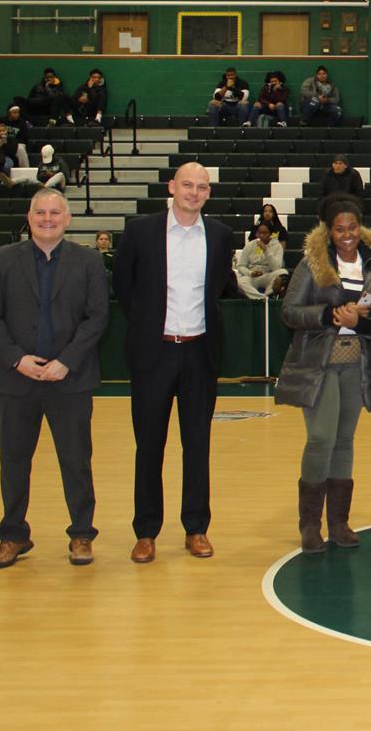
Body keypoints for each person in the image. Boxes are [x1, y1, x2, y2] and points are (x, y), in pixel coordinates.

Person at [0, 189, 110, 569]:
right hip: (16, 380)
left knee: (76, 460)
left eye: (54, 212)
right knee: (13, 461)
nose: (47, 219)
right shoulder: (2, 260)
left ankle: (82, 534)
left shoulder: (89, 261)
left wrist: (66, 361)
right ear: (29, 217)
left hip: (69, 380)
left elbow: (97, 316)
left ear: (67, 219)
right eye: (40, 212)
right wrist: (16, 359)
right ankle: (13, 535)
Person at [113, 163, 236, 563]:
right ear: (171, 187)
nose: (193, 192)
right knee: (149, 445)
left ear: (208, 193)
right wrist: (149, 326)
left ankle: (196, 528)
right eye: (187, 185)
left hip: (200, 353)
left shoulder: (220, 235)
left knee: (197, 444)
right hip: (154, 353)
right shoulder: (140, 231)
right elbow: (123, 287)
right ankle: (146, 531)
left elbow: (219, 288)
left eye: (201, 187)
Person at [277, 194, 371, 553]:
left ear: (361, 227)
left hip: (357, 364)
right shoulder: (312, 263)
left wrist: (360, 323)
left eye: (352, 227)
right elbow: (289, 311)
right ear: (329, 231)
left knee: (344, 440)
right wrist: (329, 315)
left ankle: (339, 523)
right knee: (321, 437)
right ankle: (310, 525)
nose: (347, 235)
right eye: (340, 229)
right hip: (319, 364)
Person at [236, 223, 288, 298]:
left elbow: (276, 267)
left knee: (282, 272)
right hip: (252, 275)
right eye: (259, 233)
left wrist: (266, 251)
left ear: (270, 234)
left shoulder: (277, 246)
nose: (261, 235)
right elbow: (241, 266)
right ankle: (262, 298)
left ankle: (268, 294)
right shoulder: (250, 245)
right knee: (240, 282)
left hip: (268, 274)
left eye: (264, 233)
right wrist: (250, 273)